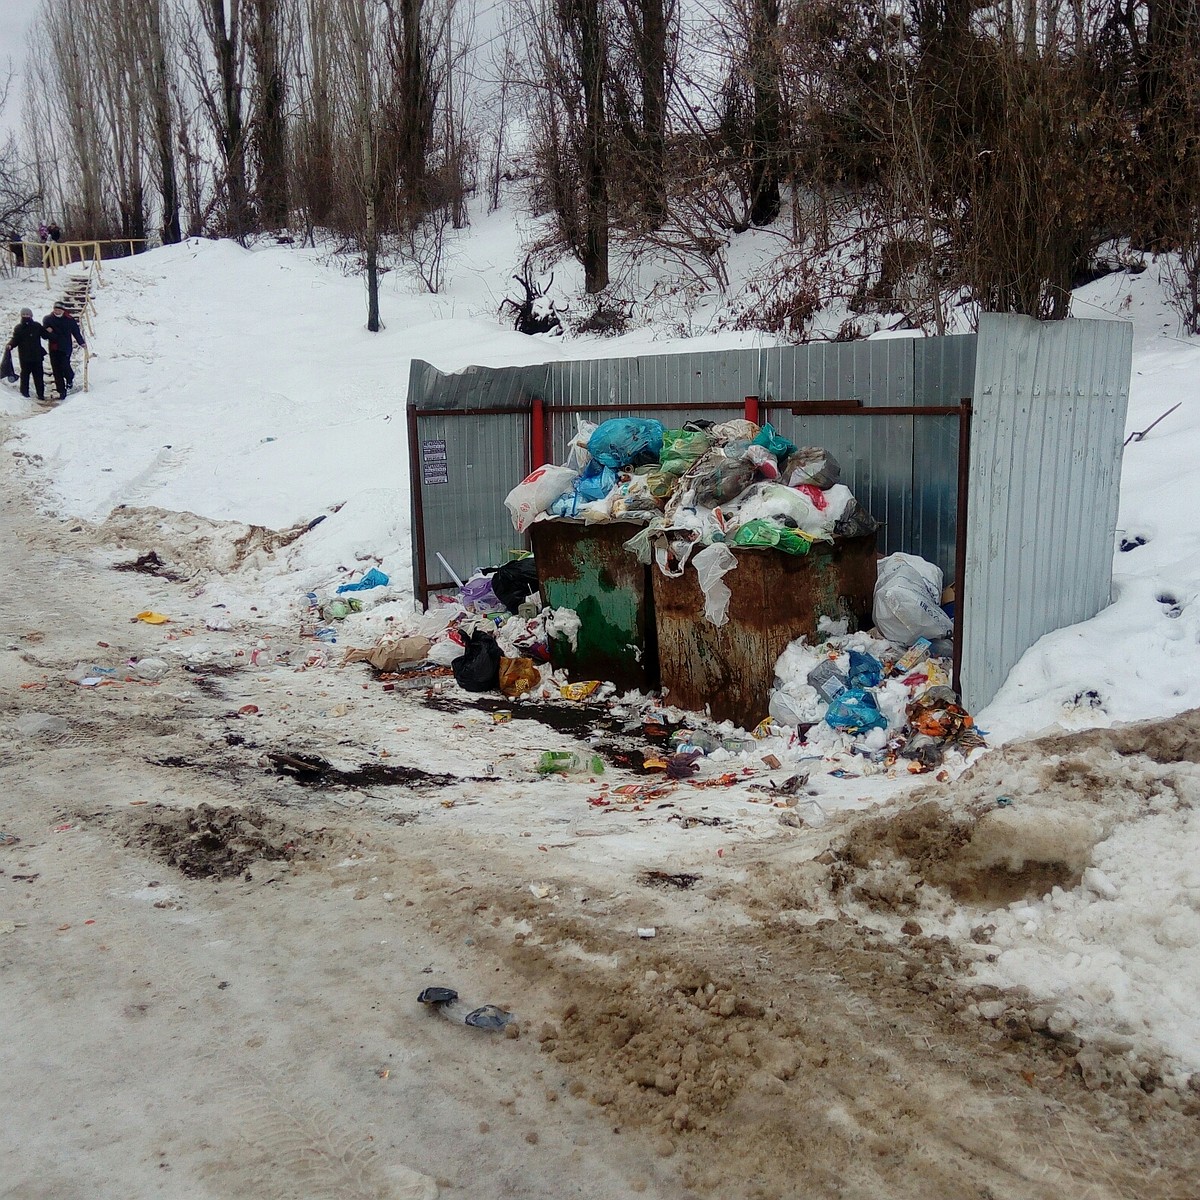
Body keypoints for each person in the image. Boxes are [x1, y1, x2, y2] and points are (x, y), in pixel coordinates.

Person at [42, 301, 86, 398]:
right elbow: (45, 334)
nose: (56, 311)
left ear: (63, 310)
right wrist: (48, 332)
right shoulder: (48, 319)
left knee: (65, 366)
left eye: (58, 310)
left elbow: (76, 332)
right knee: (56, 370)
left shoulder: (69, 319)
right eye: (55, 309)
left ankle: (70, 378)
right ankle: (61, 391)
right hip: (54, 347)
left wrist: (81, 342)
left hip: (66, 347)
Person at [5, 308, 49, 401]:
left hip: (37, 356)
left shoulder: (37, 326)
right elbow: (15, 339)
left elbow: (45, 336)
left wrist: (49, 331)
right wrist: (10, 345)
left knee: (39, 376)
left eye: (27, 315)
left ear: (31, 315)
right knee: (25, 376)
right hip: (25, 356)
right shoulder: (18, 328)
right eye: (24, 315)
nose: (25, 316)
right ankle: (24, 394)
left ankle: (40, 394)